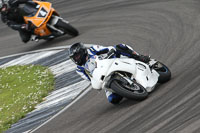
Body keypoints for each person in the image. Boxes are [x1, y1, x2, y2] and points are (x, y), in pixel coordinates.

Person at [69, 42, 150, 104]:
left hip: (110, 61)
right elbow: (90, 79)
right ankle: (125, 87)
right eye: (74, 58)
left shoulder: (93, 49)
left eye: (77, 56)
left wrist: (110, 52)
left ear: (82, 52)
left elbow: (109, 48)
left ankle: (139, 57)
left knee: (120, 46)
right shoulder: (79, 70)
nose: (76, 59)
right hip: (103, 76)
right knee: (113, 100)